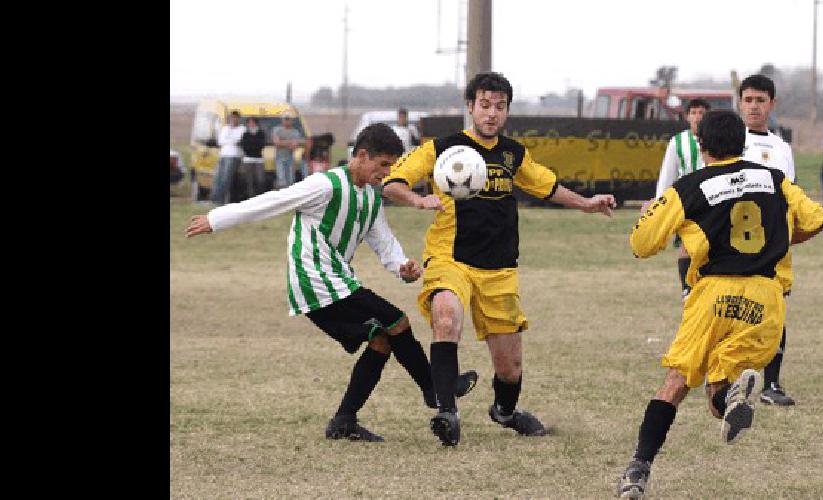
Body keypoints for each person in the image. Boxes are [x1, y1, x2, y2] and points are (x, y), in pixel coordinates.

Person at [185, 123, 479, 442]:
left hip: (338, 282)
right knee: (397, 321)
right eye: (383, 165)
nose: (387, 173)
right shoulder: (324, 186)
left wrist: (402, 267)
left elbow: (384, 241)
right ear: (362, 156)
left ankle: (344, 421)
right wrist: (215, 220)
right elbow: (271, 201)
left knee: (382, 340)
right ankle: (434, 389)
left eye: (392, 166)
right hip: (316, 281)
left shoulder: (370, 198)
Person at [381, 72, 617, 447]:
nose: (491, 113)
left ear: (507, 110)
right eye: (485, 105)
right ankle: (447, 413)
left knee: (510, 369)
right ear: (470, 107)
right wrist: (417, 199)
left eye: (499, 107)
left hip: (499, 268)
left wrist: (588, 204)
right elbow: (393, 183)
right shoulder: (442, 148)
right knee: (446, 318)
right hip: (450, 258)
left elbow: (548, 186)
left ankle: (504, 412)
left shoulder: (513, 154)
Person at [615, 110, 823, 498]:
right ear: (743, 143)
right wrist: (778, 240)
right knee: (719, 396)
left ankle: (638, 469)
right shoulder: (773, 178)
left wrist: (651, 218)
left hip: (712, 295)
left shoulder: (690, 186)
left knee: (675, 383)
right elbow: (816, 219)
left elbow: (641, 244)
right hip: (765, 299)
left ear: (702, 146)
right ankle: (733, 392)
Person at [737, 73, 800, 407]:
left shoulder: (782, 148)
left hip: (775, 246)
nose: (754, 106)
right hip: (738, 245)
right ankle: (732, 382)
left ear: (771, 105)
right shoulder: (730, 143)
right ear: (740, 103)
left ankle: (771, 384)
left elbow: (791, 196)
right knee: (736, 312)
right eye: (748, 100)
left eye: (760, 100)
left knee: (775, 314)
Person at [643, 98, 710, 300]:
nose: (698, 116)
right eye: (694, 112)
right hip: (688, 202)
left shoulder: (717, 139)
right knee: (687, 244)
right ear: (687, 116)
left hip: (713, 200)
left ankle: (708, 283)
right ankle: (687, 288)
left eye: (702, 112)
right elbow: (667, 174)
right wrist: (658, 203)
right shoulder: (678, 142)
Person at [213, 111, 245, 205]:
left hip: (234, 155)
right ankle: (215, 199)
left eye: (236, 117)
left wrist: (229, 140)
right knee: (218, 177)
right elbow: (220, 141)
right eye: (232, 117)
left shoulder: (242, 129)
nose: (234, 119)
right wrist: (231, 140)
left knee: (226, 178)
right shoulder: (225, 128)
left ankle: (222, 199)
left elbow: (238, 140)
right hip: (223, 155)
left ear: (239, 118)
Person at [238, 117, 267, 201]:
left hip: (259, 159)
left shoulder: (261, 133)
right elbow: (244, 146)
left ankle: (260, 198)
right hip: (248, 159)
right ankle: (250, 198)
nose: (251, 124)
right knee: (249, 180)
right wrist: (253, 145)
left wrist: (252, 145)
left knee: (260, 179)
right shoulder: (245, 134)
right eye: (249, 123)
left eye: (253, 122)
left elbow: (261, 145)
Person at [272, 116, 304, 188]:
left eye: (288, 120)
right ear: (282, 120)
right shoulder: (277, 130)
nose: (286, 122)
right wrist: (289, 142)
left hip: (290, 159)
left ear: (291, 121)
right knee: (281, 180)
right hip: (279, 158)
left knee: (290, 181)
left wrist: (282, 142)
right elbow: (276, 143)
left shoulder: (295, 132)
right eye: (285, 120)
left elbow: (294, 146)